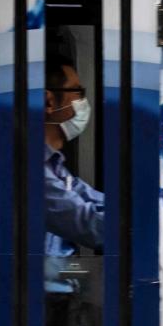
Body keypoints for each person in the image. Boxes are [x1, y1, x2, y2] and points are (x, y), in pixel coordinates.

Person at [42, 51, 103, 292]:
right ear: (49, 102)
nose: (83, 103)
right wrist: (146, 228)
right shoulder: (25, 169)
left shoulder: (53, 166)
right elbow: (87, 223)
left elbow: (91, 200)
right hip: (19, 310)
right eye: (78, 92)